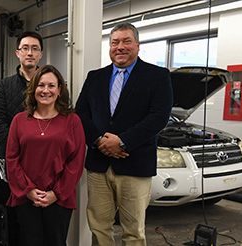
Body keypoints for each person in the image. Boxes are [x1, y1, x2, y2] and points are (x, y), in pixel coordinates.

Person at [75, 22, 173, 246]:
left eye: (126, 41)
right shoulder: (95, 77)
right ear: (109, 47)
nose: (120, 47)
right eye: (115, 42)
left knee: (133, 231)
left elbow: (159, 117)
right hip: (98, 165)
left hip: (135, 164)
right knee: (99, 227)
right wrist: (100, 141)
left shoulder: (157, 76)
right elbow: (80, 113)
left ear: (137, 45)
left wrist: (123, 141)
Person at [6, 65, 86, 246]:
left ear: (59, 90)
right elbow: (12, 159)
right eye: (41, 85)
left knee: (55, 242)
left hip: (58, 199)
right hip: (25, 197)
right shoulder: (19, 120)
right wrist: (28, 191)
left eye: (51, 86)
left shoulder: (72, 121)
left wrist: (56, 193)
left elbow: (76, 161)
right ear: (33, 89)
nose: (46, 91)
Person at [0, 31, 43, 160]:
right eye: (25, 48)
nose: (30, 53)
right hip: (11, 155)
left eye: (34, 49)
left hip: (42, 153)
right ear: (17, 53)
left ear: (40, 54)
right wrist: (17, 146)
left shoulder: (49, 86)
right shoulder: (4, 85)